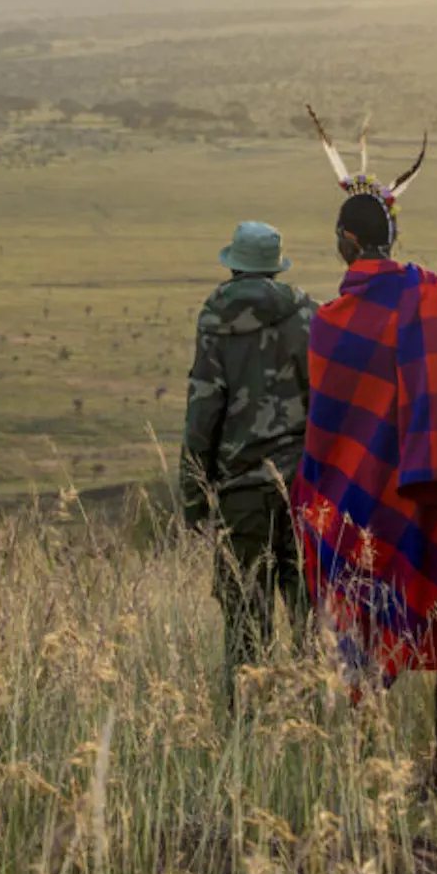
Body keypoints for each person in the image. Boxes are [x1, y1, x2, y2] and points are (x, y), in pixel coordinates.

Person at [290, 108, 437, 794]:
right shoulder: (436, 297)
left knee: (356, 627)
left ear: (347, 242)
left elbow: (328, 430)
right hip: (431, 500)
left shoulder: (328, 324)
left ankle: (362, 766)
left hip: (358, 505)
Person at [180, 220, 316, 711]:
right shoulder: (308, 316)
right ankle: (312, 729)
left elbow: (203, 414)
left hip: (240, 494)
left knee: (244, 624)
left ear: (234, 264)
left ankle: (246, 737)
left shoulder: (213, 322)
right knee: (309, 620)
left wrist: (194, 501)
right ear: (275, 267)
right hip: (304, 488)